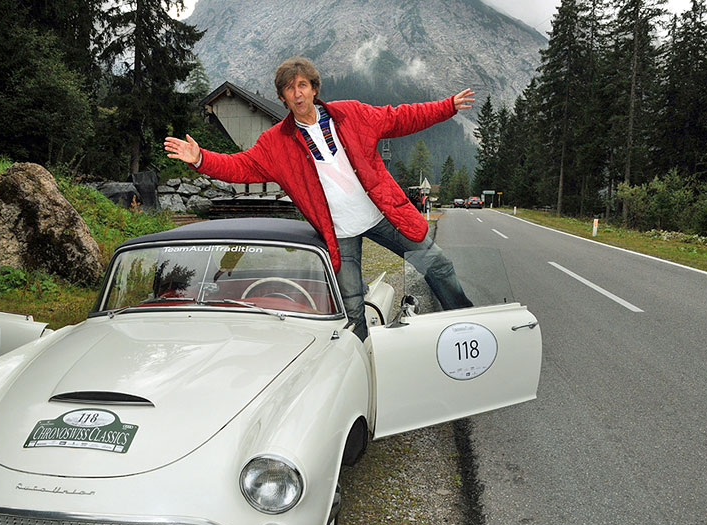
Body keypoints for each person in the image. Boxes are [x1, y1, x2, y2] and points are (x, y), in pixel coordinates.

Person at [164, 56, 474, 341]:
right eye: (289, 88)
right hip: (339, 235)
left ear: (314, 89)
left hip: (383, 216)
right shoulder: (275, 144)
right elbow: (240, 166)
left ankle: (467, 323)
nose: (297, 93)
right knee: (353, 309)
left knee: (438, 264)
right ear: (283, 97)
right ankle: (365, 366)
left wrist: (447, 106)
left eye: (302, 85)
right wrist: (200, 158)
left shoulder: (351, 114)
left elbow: (401, 117)